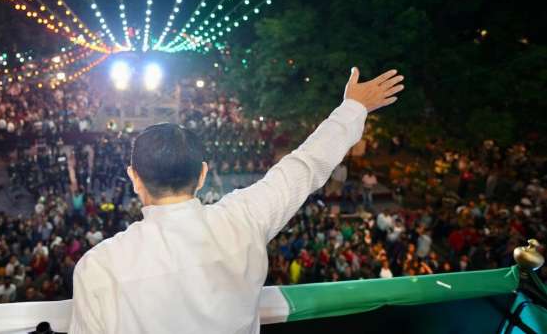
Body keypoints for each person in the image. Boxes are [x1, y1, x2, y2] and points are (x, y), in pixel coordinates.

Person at [69, 67, 404, 333]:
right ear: (202, 175)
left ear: (134, 177)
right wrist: (353, 108)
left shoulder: (99, 267)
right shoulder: (243, 221)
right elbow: (304, 165)